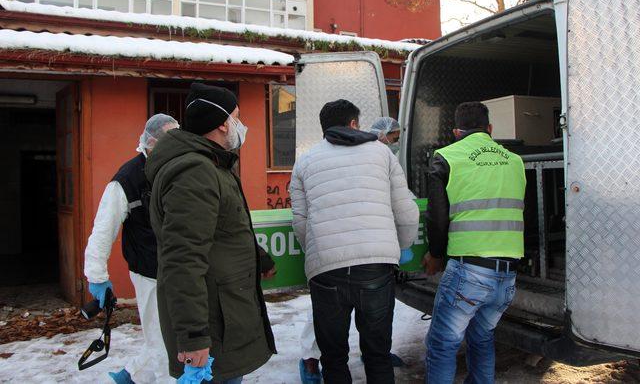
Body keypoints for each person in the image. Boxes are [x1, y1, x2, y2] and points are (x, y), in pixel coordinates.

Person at [145, 83, 276, 384]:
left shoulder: (212, 164)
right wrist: (193, 336)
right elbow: (183, 258)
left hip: (224, 315)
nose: (241, 125)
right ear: (221, 123)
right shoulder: (195, 172)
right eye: (237, 117)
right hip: (213, 323)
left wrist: (260, 259)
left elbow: (223, 230)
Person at [290, 99, 419, 384]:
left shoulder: (304, 161)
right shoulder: (382, 154)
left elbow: (300, 223)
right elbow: (407, 211)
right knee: (377, 355)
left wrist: (319, 253)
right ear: (353, 124)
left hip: (326, 273)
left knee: (334, 358)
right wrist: (401, 246)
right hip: (375, 269)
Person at [422, 102, 526, 383]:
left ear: (457, 132)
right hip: (507, 275)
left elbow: (437, 217)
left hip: (469, 272)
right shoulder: (515, 161)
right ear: (490, 129)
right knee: (482, 339)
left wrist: (435, 254)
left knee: (443, 344)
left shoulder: (446, 157)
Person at [83, 113, 179, 384]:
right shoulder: (127, 179)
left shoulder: (177, 170)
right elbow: (103, 230)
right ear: (150, 143)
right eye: (166, 140)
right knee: (163, 341)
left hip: (180, 271)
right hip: (150, 273)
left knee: (170, 335)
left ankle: (130, 377)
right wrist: (98, 277)